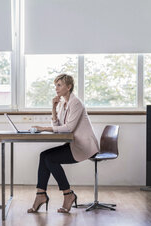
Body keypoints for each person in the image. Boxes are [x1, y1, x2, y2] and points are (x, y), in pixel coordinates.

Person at [28, 74, 99, 213]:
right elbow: (58, 126)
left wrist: (43, 129)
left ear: (69, 87)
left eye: (59, 85)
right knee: (44, 156)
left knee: (49, 158)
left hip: (83, 146)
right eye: (55, 85)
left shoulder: (76, 103)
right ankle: (41, 194)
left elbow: (68, 128)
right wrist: (53, 108)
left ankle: (68, 194)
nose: (56, 88)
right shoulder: (64, 104)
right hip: (73, 144)